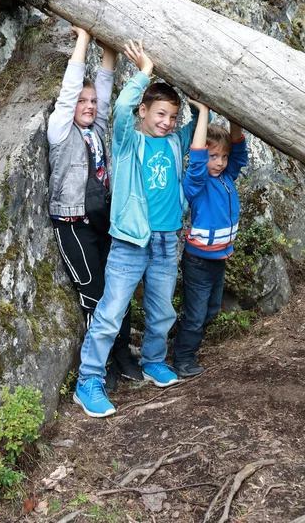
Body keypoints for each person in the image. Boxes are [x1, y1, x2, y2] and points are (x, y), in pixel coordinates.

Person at [73, 40, 208, 418]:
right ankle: (88, 382)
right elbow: (117, 110)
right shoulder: (129, 141)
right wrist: (144, 71)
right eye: (160, 114)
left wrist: (202, 108)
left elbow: (198, 126)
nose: (167, 122)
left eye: (172, 117)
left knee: (162, 310)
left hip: (167, 241)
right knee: (111, 312)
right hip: (131, 242)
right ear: (144, 110)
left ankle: (152, 360)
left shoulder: (174, 143)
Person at [47, 26, 142, 391]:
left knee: (118, 290)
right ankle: (97, 369)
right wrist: (84, 39)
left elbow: (103, 91)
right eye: (80, 102)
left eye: (90, 103)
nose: (87, 106)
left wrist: (110, 52)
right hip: (74, 224)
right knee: (96, 294)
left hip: (104, 221)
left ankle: (121, 355)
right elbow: (71, 89)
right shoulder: (61, 131)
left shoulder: (96, 128)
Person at [173, 108, 248, 378]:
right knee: (195, 314)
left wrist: (234, 119)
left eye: (223, 157)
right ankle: (182, 359)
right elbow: (197, 161)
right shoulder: (197, 183)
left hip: (219, 259)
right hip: (198, 261)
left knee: (211, 311)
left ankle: (185, 348)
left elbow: (239, 153)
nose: (219, 162)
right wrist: (203, 113)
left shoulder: (227, 178)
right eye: (213, 156)